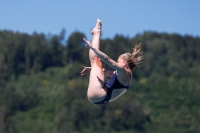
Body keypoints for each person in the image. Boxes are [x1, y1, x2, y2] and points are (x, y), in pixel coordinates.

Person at [81, 19, 143, 104]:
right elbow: (105, 72)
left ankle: (97, 32)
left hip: (99, 94)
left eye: (118, 61)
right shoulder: (126, 75)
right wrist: (90, 69)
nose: (117, 62)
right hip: (100, 99)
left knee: (96, 60)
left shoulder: (123, 70)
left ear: (124, 63)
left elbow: (108, 60)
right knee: (96, 63)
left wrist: (93, 48)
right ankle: (96, 33)